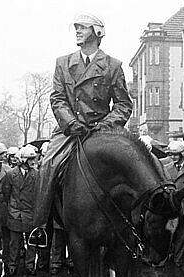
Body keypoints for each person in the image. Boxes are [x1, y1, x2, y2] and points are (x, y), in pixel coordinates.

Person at [28, 12, 132, 247]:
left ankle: (138, 225)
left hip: (102, 129)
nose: (77, 31)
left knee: (134, 160)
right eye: (76, 28)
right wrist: (71, 123)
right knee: (48, 164)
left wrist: (105, 125)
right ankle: (40, 228)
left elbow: (124, 104)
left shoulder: (113, 66)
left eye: (82, 27)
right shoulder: (63, 63)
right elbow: (57, 98)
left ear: (97, 32)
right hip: (71, 129)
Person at [3, 145, 40, 276]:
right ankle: (13, 265)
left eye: (33, 158)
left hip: (30, 213)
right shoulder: (10, 174)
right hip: (15, 213)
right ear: (23, 160)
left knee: (32, 242)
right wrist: (12, 207)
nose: (33, 161)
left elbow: (38, 195)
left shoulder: (36, 174)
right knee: (14, 243)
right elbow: (6, 193)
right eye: (30, 159)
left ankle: (30, 265)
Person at [164, 141, 184, 267]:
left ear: (182, 155)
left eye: (175, 155)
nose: (173, 157)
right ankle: (168, 257)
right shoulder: (167, 168)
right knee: (169, 232)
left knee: (182, 234)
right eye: (171, 155)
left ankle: (178, 259)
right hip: (171, 207)